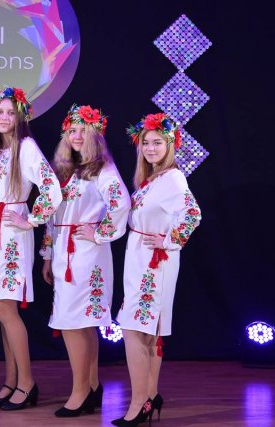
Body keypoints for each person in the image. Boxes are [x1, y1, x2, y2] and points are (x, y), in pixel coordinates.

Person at [0, 87, 61, 411]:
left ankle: (27, 382)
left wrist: (32, 220)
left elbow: (51, 188)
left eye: (11, 112)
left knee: (5, 310)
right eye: (0, 112)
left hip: (12, 235)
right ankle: (10, 380)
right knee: (1, 312)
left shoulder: (26, 147)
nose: (4, 117)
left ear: (20, 117)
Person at [40, 104, 130, 417]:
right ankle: (91, 386)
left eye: (83, 130)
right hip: (64, 250)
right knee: (81, 323)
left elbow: (121, 203)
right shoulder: (65, 170)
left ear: (95, 134)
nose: (77, 136)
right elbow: (52, 215)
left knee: (75, 324)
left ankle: (79, 392)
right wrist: (48, 255)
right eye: (72, 131)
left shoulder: (102, 168)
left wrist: (100, 232)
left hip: (85, 255)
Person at [113, 113, 201, 426]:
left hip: (155, 263)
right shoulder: (152, 179)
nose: (150, 148)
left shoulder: (173, 178)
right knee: (146, 334)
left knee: (134, 330)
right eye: (146, 143)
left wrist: (169, 240)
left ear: (170, 145)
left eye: (157, 143)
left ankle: (139, 403)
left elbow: (192, 214)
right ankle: (150, 396)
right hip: (140, 259)